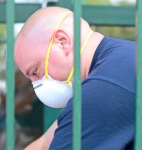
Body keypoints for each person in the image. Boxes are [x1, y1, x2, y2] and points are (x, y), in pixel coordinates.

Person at [14, 6, 135, 150]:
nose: (36, 86)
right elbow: (44, 144)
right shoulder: (124, 58)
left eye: (35, 72)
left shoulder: (100, 92)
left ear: (62, 42)